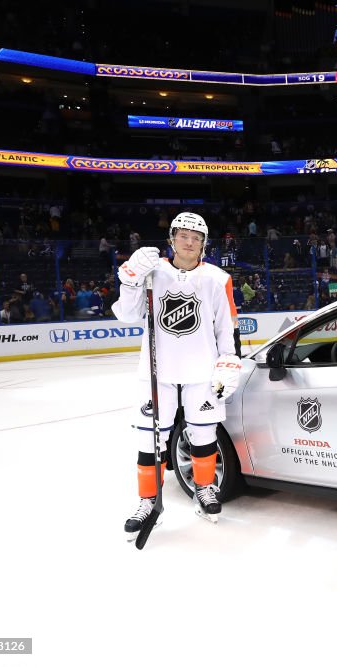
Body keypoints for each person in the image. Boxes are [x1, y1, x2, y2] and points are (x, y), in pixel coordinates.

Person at [113, 212, 242, 540]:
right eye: (183, 235)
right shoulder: (151, 273)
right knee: (149, 439)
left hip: (202, 372)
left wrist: (228, 361)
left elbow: (226, 326)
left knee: (203, 434)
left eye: (196, 237)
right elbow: (127, 315)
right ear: (171, 239)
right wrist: (129, 280)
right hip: (157, 373)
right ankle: (147, 501)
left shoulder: (217, 278)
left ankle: (204, 489)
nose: (189, 241)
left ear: (204, 243)